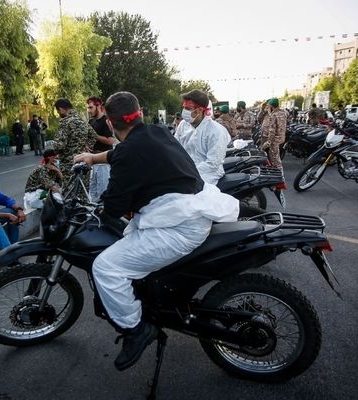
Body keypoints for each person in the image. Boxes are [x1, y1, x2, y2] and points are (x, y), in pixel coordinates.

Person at [74, 91, 239, 371]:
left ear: (111, 125)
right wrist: (92, 157)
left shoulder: (130, 153)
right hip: (188, 212)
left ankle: (136, 329)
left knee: (106, 267)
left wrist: (100, 209)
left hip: (177, 227)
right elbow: (120, 153)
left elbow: (114, 204)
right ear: (139, 113)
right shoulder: (157, 132)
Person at [174, 89, 230, 184]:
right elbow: (175, 147)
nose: (184, 111)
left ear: (200, 110)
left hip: (208, 174)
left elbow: (213, 164)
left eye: (188, 109)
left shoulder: (216, 131)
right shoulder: (183, 125)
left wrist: (188, 171)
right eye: (184, 108)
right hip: (185, 170)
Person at [53, 98, 97, 184]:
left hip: (69, 165)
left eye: (58, 111)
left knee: (70, 192)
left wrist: (55, 147)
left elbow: (59, 146)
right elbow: (93, 135)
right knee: (83, 191)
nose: (58, 114)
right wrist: (88, 147)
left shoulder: (65, 122)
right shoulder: (82, 120)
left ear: (61, 109)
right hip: (84, 162)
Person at [86, 96, 115, 202]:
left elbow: (111, 140)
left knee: (103, 194)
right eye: (88, 108)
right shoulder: (91, 122)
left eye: (90, 107)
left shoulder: (106, 121)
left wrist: (95, 135)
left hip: (103, 163)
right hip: (93, 162)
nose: (89, 111)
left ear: (98, 106)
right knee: (92, 194)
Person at [261, 98, 287, 169]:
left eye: (269, 106)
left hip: (274, 141)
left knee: (275, 160)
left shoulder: (274, 115)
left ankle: (279, 176)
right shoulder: (283, 113)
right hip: (281, 139)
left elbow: (272, 131)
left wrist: (268, 142)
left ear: (271, 106)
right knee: (277, 158)